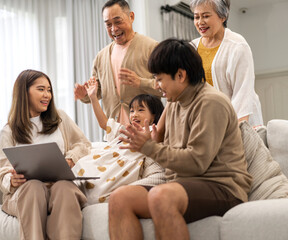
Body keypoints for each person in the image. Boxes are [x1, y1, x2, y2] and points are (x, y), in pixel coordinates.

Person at [108, 39, 252, 240]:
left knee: (161, 196)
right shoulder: (175, 103)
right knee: (119, 198)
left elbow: (196, 162)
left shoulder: (211, 102)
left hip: (222, 187)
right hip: (182, 185)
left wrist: (149, 147)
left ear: (181, 75)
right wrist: (151, 140)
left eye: (159, 79)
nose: (157, 87)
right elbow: (164, 146)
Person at [0, 69, 91, 240]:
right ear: (24, 93)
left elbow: (83, 144)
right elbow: (0, 172)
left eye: (49, 90)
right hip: (27, 192)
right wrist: (11, 180)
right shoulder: (8, 131)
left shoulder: (60, 118)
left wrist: (70, 158)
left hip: (59, 186)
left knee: (64, 188)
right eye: (41, 89)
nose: (47, 95)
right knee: (33, 187)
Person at [73, 77, 166, 205]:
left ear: (154, 115)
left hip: (119, 172)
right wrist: (93, 97)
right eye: (132, 110)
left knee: (95, 191)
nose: (134, 114)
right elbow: (104, 123)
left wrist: (171, 99)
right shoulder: (125, 129)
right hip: (103, 163)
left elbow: (161, 130)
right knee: (79, 168)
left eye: (140, 109)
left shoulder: (153, 131)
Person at [74, 0, 161, 126]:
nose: (114, 29)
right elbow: (97, 93)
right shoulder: (100, 57)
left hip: (146, 132)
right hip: (114, 132)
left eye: (118, 22)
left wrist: (141, 82)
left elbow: (167, 88)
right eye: (108, 24)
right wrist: (84, 95)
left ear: (131, 17)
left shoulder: (152, 48)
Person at [190, 0, 263, 126]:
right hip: (209, 121)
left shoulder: (237, 45)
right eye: (197, 17)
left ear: (222, 16)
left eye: (206, 16)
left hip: (239, 121)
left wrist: (237, 128)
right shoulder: (192, 47)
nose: (200, 22)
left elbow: (243, 91)